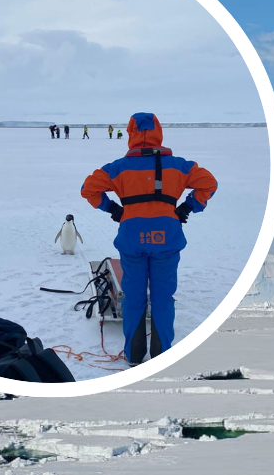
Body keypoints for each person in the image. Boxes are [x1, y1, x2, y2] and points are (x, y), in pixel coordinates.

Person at [81, 112, 217, 365]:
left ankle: (133, 355)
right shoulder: (179, 165)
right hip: (167, 238)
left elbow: (88, 189)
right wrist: (187, 207)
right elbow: (209, 183)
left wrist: (114, 210)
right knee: (163, 298)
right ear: (159, 132)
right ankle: (161, 354)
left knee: (134, 298)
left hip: (132, 239)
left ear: (131, 134)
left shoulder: (117, 168)